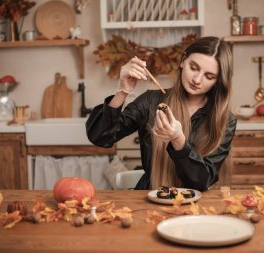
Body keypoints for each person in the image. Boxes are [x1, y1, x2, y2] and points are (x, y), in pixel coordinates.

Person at [86, 36, 237, 191]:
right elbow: (100, 137)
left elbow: (201, 182)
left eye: (209, 76)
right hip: (149, 199)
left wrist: (178, 140)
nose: (197, 79)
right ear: (183, 60)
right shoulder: (150, 102)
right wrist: (123, 91)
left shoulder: (225, 120)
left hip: (194, 207)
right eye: (194, 67)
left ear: (218, 81)